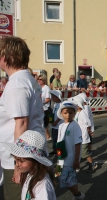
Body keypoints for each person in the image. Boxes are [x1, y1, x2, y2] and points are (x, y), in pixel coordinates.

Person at [0, 36, 44, 200]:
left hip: (18, 157)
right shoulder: (27, 79)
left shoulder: (17, 83)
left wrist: (18, 165)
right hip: (27, 153)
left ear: (4, 57)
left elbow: (22, 123)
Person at [2, 130, 56, 200]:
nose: (17, 164)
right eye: (16, 160)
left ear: (35, 161)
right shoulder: (30, 174)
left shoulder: (42, 186)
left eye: (21, 161)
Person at [56, 101, 85, 199]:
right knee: (70, 179)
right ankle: (77, 196)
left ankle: (78, 195)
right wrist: (58, 157)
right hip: (61, 158)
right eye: (65, 113)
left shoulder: (75, 126)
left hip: (71, 159)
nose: (68, 115)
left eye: (70, 113)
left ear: (74, 113)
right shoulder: (60, 126)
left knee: (65, 180)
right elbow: (59, 143)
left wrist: (76, 159)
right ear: (61, 114)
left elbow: (78, 144)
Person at [70, 96, 98, 172]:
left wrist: (89, 131)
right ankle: (77, 166)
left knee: (84, 153)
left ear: (78, 105)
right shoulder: (77, 113)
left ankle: (92, 164)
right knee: (77, 152)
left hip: (83, 137)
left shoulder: (82, 113)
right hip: (78, 137)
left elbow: (88, 123)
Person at [38, 74, 52, 141]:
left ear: (44, 80)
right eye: (38, 79)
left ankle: (48, 136)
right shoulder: (37, 87)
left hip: (45, 107)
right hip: (38, 107)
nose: (39, 80)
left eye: (41, 79)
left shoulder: (46, 88)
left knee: (44, 123)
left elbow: (48, 98)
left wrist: (42, 103)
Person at [49, 90, 63, 156]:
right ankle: (55, 150)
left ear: (58, 97)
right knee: (54, 138)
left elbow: (62, 115)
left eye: (54, 97)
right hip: (54, 125)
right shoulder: (55, 104)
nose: (52, 98)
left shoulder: (61, 105)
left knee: (58, 139)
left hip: (58, 125)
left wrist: (56, 122)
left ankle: (59, 151)